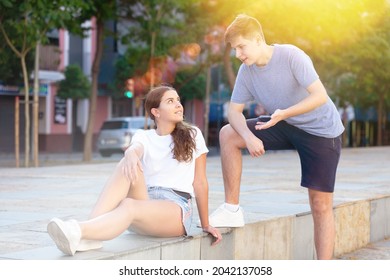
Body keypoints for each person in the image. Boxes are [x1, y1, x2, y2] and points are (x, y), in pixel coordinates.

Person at [209, 14, 344, 260]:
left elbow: (319, 96)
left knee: (320, 204)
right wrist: (249, 139)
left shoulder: (291, 56)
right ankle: (231, 208)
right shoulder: (247, 70)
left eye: (241, 46)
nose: (238, 54)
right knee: (229, 134)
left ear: (258, 39)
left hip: (321, 131)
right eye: (234, 49)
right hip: (283, 121)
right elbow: (234, 111)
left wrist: (284, 113)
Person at [47, 85, 222, 256]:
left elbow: (200, 182)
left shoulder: (193, 134)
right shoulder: (144, 135)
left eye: (178, 100)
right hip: (144, 201)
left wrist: (206, 224)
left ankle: (78, 229)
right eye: (170, 101)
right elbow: (136, 147)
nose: (178, 105)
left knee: (128, 204)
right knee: (127, 163)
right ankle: (91, 234)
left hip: (174, 210)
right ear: (156, 112)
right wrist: (131, 152)